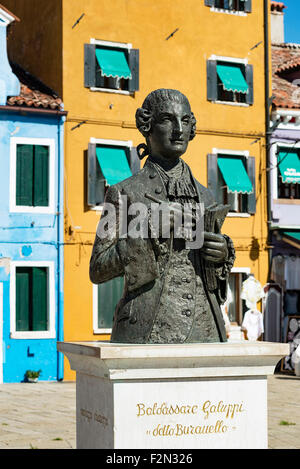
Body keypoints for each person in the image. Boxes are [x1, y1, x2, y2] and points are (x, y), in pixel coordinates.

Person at [90, 88, 235, 344]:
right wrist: (146, 231)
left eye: (186, 120)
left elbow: (214, 277)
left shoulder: (207, 196)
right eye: (168, 119)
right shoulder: (123, 193)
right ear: (147, 125)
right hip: (147, 329)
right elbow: (98, 268)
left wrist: (221, 254)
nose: (179, 129)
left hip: (206, 330)